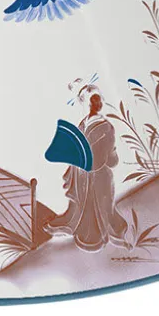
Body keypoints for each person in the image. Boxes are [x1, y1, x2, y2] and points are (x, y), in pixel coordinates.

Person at [48, 86, 127, 251]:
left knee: (93, 207)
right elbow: (111, 159)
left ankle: (92, 236)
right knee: (89, 206)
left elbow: (96, 156)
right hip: (90, 173)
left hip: (90, 175)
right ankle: (91, 234)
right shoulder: (101, 126)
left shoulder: (89, 125)